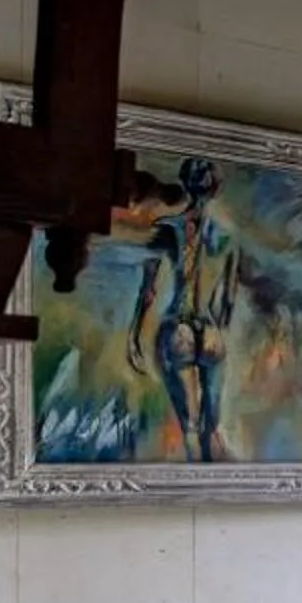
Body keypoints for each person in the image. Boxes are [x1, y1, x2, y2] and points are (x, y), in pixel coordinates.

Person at [127, 157, 242, 462]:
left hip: (178, 329)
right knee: (213, 431)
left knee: (190, 431)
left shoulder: (167, 229)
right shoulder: (229, 238)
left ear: (185, 184)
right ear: (215, 189)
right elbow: (227, 304)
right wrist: (215, 329)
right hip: (211, 332)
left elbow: (148, 291)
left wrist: (134, 337)